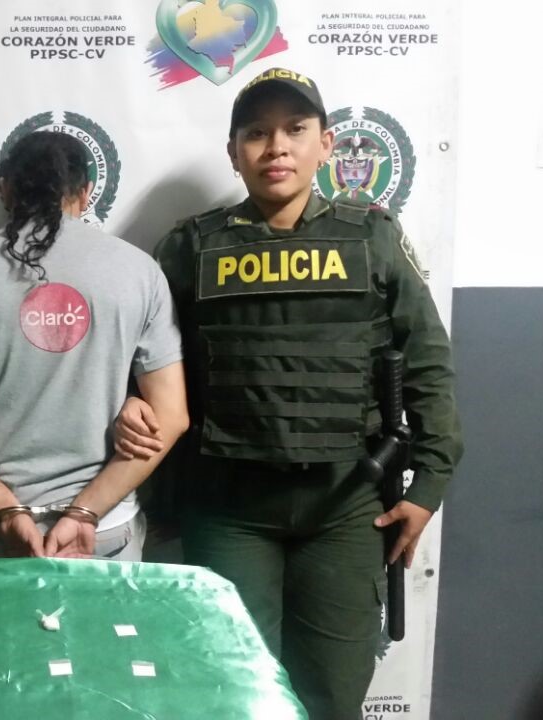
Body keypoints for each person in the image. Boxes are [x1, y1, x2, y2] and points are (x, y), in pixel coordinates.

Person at [117, 67, 463, 718]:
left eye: (295, 129)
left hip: (347, 504)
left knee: (332, 693)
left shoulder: (373, 237)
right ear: (233, 152)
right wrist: (132, 400)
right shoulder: (191, 248)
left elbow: (428, 367)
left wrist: (427, 489)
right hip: (229, 507)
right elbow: (143, 357)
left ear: (326, 144)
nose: (276, 147)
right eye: (257, 133)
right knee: (232, 693)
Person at [0, 131, 189, 561]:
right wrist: (86, 512)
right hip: (102, 530)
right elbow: (172, 417)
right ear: (86, 192)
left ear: (5, 189)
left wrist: (7, 508)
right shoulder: (139, 270)